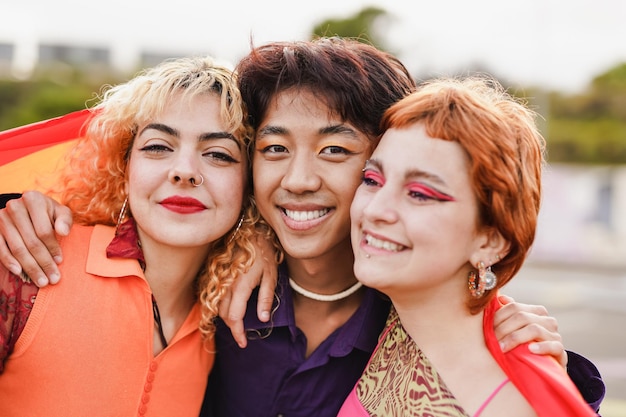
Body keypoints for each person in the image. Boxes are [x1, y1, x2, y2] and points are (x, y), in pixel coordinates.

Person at [0, 38, 604, 416]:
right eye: (274, 148)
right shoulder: (211, 280)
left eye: (336, 152)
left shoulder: (418, 322)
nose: (298, 179)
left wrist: (519, 343)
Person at [0, 55, 259, 417]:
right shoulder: (28, 259)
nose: (184, 172)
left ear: (250, 185)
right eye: (157, 147)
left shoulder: (230, 321)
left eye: (218, 154)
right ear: (124, 168)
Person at [339, 75, 598, 416]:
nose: (374, 210)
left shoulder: (510, 404)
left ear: (491, 241)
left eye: (419, 194)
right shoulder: (397, 316)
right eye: (372, 180)